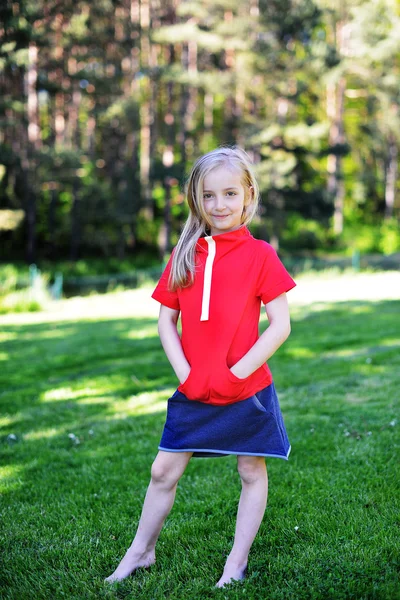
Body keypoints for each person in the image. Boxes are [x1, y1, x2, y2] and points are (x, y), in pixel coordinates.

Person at [105, 146, 296, 588]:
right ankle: (141, 552)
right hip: (195, 388)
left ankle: (236, 562)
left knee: (251, 470)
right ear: (197, 200)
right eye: (209, 196)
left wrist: (238, 373)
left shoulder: (261, 255)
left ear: (248, 195)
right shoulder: (186, 252)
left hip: (246, 388)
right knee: (162, 471)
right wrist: (185, 374)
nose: (220, 205)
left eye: (230, 193)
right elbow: (165, 320)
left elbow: (280, 325)